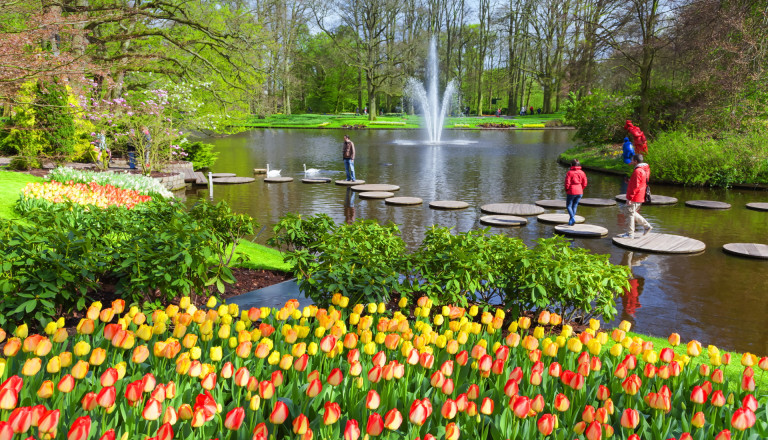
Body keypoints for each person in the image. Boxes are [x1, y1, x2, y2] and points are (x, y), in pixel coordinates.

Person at [618, 154, 652, 239]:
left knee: (629, 213)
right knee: (630, 212)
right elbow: (640, 182)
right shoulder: (645, 169)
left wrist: (630, 198)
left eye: (632, 160)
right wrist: (630, 181)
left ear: (636, 161)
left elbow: (635, 186)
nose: (631, 161)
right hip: (640, 195)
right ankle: (647, 226)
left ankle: (630, 234)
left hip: (636, 196)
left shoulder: (637, 171)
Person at [564, 159, 588, 226]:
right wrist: (581, 188)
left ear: (572, 165)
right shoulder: (582, 172)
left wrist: (567, 190)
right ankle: (571, 222)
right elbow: (585, 183)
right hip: (580, 191)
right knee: (575, 206)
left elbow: (567, 183)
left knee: (568, 206)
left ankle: (572, 218)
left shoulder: (570, 172)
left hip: (571, 191)